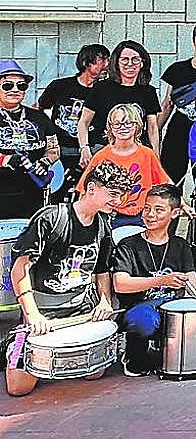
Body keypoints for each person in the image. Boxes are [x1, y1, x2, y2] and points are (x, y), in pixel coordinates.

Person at [5, 161, 130, 397]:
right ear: (91, 188)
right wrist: (32, 315)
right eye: (113, 194)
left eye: (120, 196)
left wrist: (104, 301)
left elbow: (101, 270)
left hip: (81, 308)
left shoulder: (103, 226)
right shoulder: (51, 218)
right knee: (18, 388)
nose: (118, 201)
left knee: (94, 373)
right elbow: (19, 267)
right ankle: (17, 345)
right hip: (44, 309)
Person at [112, 183, 196, 376]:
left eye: (158, 210)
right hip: (140, 308)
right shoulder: (129, 245)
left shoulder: (180, 245)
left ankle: (165, 355)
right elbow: (120, 284)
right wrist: (162, 281)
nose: (150, 215)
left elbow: (192, 280)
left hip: (173, 308)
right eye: (147, 208)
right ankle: (135, 358)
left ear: (174, 214)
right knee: (144, 322)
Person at [35, 44, 109, 198]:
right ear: (86, 63)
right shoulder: (60, 86)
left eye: (108, 60)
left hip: (91, 152)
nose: (107, 65)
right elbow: (38, 110)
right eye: (102, 60)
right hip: (60, 151)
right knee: (56, 195)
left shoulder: (104, 91)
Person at [77, 105, 169, 228]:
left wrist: (181, 203)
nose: (123, 128)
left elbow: (165, 182)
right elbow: (84, 191)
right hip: (108, 216)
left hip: (140, 217)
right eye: (117, 124)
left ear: (137, 125)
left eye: (128, 123)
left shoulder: (147, 154)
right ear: (110, 128)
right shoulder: (101, 156)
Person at [78, 40, 161, 160]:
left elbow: (152, 127)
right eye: (125, 59)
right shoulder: (101, 88)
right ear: (117, 62)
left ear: (142, 62)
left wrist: (155, 154)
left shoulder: (148, 92)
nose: (130, 64)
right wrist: (84, 148)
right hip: (104, 150)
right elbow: (84, 122)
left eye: (135, 59)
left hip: (137, 152)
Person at [158, 21, 196, 183]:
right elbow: (167, 104)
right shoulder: (177, 69)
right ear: (193, 41)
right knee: (171, 176)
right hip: (178, 126)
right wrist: (155, 131)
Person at [0, 61, 58, 219]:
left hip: (32, 194)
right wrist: (5, 160)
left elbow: (53, 150)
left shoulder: (39, 117)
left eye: (21, 86)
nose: (15, 90)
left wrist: (45, 162)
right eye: (7, 85)